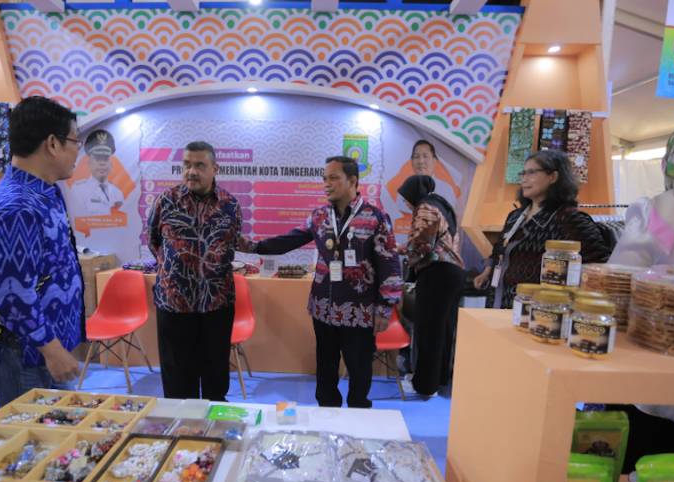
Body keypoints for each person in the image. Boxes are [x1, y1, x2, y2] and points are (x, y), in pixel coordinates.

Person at [240, 156, 402, 408]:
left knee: (359, 371)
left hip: (359, 312)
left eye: (334, 178)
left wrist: (385, 307)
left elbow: (390, 264)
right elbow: (289, 241)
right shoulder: (319, 217)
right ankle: (327, 414)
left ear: (353, 181)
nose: (327, 183)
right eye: (325, 178)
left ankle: (359, 414)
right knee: (325, 369)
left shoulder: (375, 218)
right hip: (323, 310)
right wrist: (253, 247)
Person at [606, 113, 674, 472]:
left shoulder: (662, 210)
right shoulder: (663, 211)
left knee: (648, 477)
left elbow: (619, 282)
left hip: (655, 374)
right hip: (666, 381)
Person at [0, 96, 83, 407]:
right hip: (26, 355)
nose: (78, 151)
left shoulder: (45, 192)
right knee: (32, 434)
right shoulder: (18, 208)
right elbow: (13, 295)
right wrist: (52, 350)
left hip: (44, 349)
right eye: (75, 141)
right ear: (53, 144)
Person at [148, 141, 242, 401]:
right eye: (187, 164)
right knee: (178, 386)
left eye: (200, 165)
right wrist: (176, 271)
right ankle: (182, 426)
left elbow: (231, 244)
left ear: (215, 169)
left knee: (215, 383)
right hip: (174, 305)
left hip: (217, 305)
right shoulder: (166, 201)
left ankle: (215, 425)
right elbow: (154, 241)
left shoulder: (230, 205)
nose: (191, 171)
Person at [473, 150, 610, 308]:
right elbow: (499, 248)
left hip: (539, 311)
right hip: (499, 302)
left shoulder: (569, 219)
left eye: (531, 172)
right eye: (523, 173)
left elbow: (598, 267)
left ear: (553, 177)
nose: (524, 179)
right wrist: (488, 270)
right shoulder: (515, 216)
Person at [397, 174, 465, 397]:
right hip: (453, 273)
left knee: (428, 332)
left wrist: (401, 249)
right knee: (443, 330)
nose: (406, 203)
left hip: (436, 274)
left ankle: (424, 386)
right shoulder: (442, 206)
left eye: (406, 198)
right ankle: (439, 380)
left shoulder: (425, 207)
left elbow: (422, 244)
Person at [72, 129, 124, 215]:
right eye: (98, 158)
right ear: (89, 162)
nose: (102, 163)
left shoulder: (118, 193)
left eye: (105, 158)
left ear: (110, 163)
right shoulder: (78, 190)